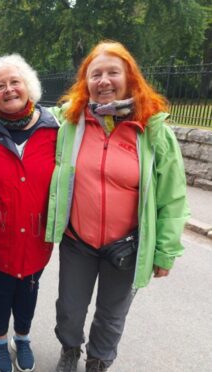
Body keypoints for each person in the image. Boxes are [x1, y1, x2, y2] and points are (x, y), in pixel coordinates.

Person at [46, 41, 189, 372]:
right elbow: (26, 114)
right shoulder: (70, 123)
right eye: (95, 74)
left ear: (130, 78)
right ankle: (70, 350)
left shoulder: (153, 131)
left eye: (113, 72)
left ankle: (98, 360)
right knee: (70, 307)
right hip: (77, 241)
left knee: (112, 313)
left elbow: (173, 197)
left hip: (126, 246)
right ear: (86, 82)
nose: (104, 81)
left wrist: (165, 253)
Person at [0, 54, 59, 372]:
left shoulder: (53, 130)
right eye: (0, 85)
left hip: (37, 235)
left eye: (14, 82)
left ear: (28, 86)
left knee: (28, 289)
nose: (8, 89)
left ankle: (23, 338)